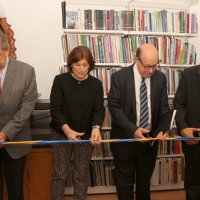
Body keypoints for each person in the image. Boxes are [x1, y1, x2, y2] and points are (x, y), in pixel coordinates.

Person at [108, 43, 170, 200]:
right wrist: (133, 130)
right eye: (147, 66)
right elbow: (114, 108)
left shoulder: (160, 78)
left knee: (144, 184)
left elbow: (163, 108)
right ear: (136, 60)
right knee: (124, 185)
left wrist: (162, 129)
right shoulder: (119, 77)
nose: (150, 70)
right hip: (125, 139)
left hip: (148, 141)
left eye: (154, 66)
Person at [50, 46, 105, 200]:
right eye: (77, 65)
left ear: (90, 65)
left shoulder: (96, 84)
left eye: (85, 65)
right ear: (71, 65)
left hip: (85, 135)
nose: (81, 69)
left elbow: (99, 110)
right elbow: (55, 109)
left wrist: (96, 128)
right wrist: (67, 131)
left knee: (81, 176)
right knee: (59, 175)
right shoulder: (60, 80)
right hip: (61, 133)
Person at [0, 30, 37, 200]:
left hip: (15, 141)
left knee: (16, 192)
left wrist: (5, 132)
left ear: (7, 50)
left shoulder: (26, 71)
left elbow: (27, 106)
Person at [173, 65, 200, 200]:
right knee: (194, 186)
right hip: (194, 141)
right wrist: (183, 129)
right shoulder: (188, 74)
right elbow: (179, 104)